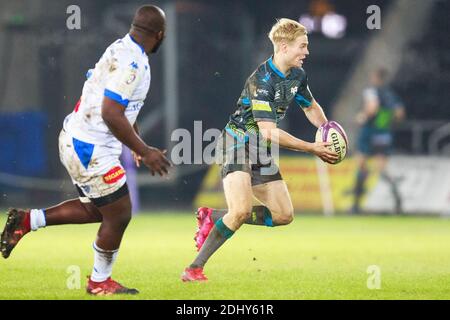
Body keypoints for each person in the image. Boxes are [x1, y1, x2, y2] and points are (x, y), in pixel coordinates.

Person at [0, 5, 171, 295]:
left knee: (98, 208)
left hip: (76, 138)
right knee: (119, 213)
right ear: (160, 34)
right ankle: (99, 282)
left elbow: (123, 108)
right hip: (89, 148)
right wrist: (145, 149)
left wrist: (135, 146)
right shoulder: (134, 64)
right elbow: (111, 113)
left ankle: (29, 220)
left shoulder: (119, 47)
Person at [181, 18, 339, 282]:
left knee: (283, 215)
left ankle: (214, 216)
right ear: (284, 47)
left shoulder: (297, 76)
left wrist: (328, 131)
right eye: (302, 46)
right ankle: (194, 268)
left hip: (259, 150)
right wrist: (313, 148)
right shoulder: (261, 80)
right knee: (241, 210)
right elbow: (269, 131)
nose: (306, 52)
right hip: (236, 145)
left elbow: (310, 106)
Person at [351, 68, 405, 214]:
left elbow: (372, 107)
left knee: (362, 165)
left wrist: (362, 116)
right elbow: (400, 114)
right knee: (382, 168)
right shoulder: (391, 95)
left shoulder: (371, 91)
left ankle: (355, 205)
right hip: (383, 135)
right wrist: (385, 123)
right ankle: (398, 201)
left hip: (369, 133)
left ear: (375, 77)